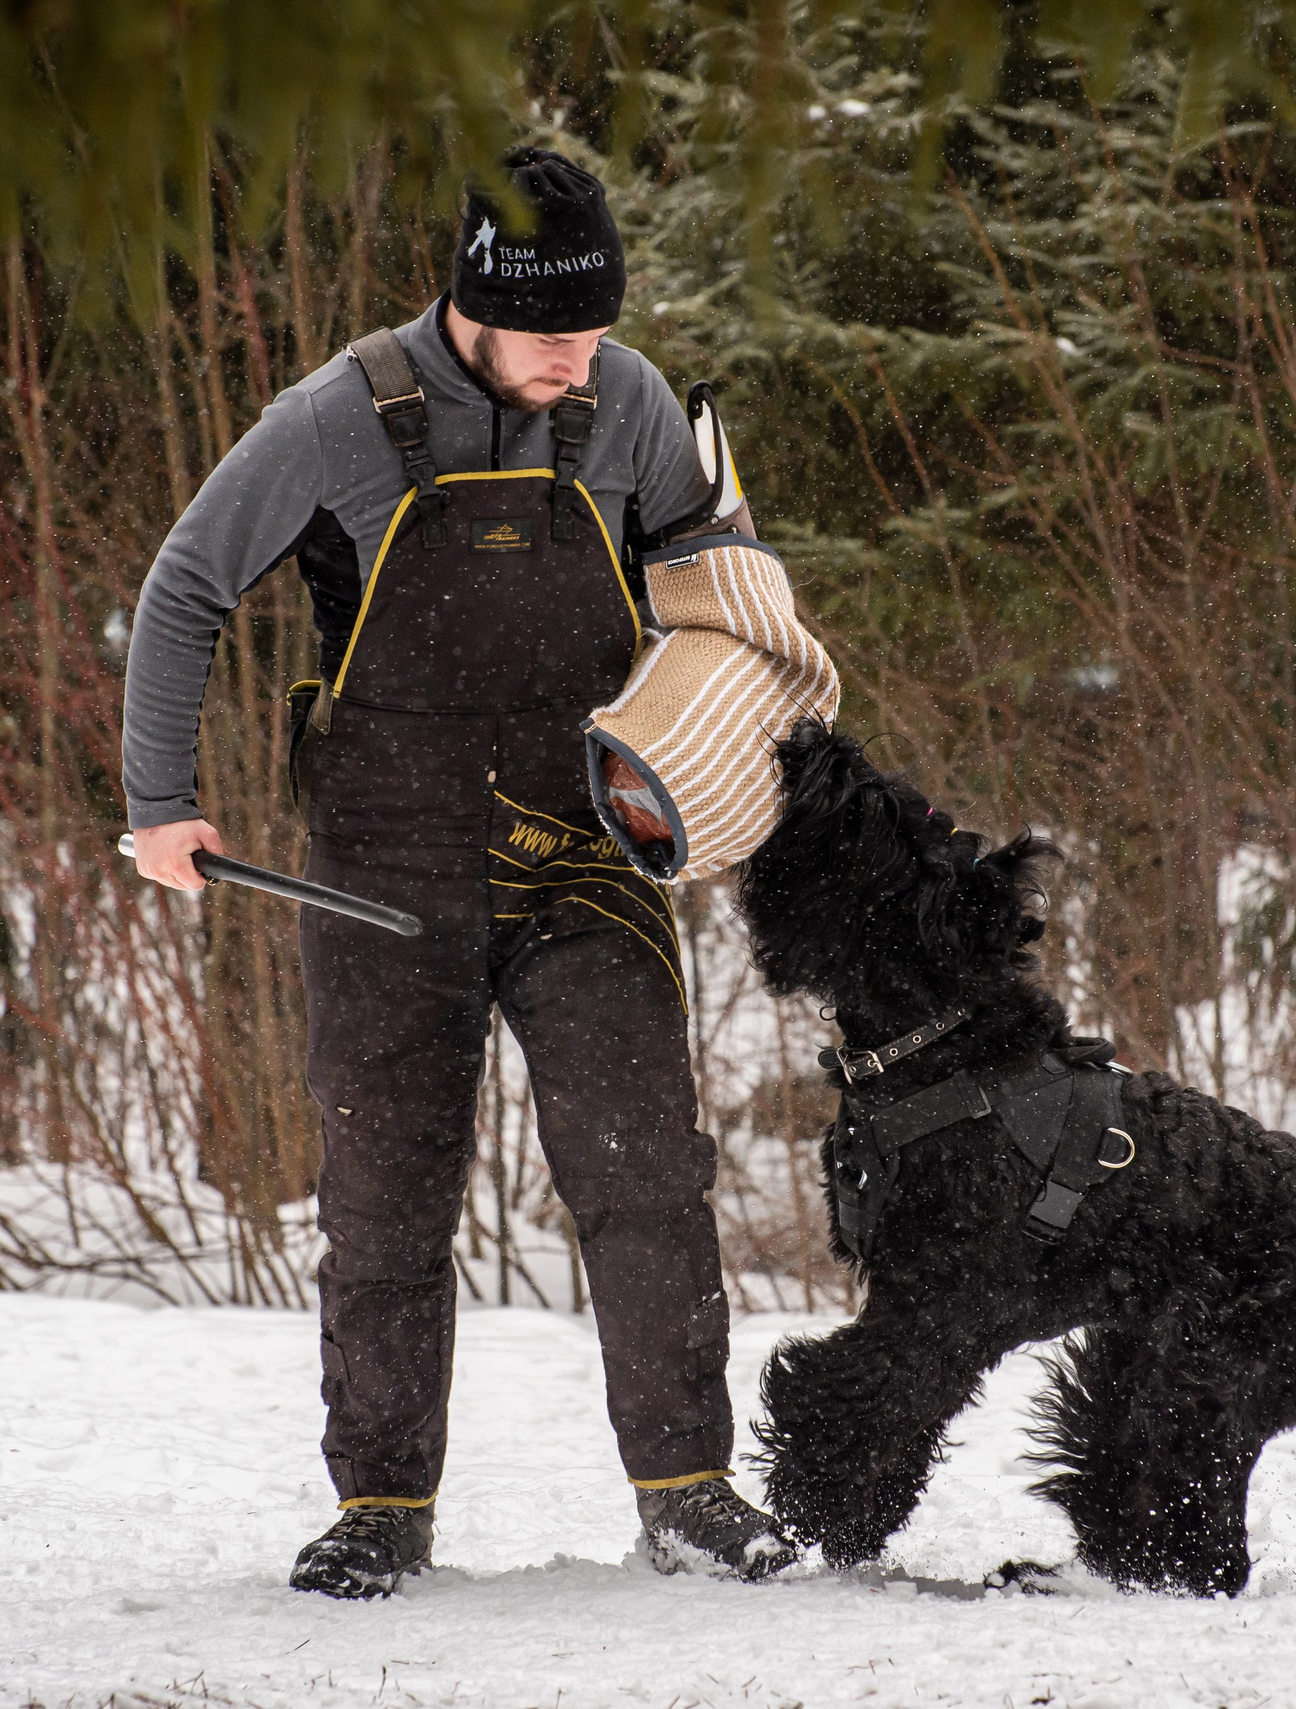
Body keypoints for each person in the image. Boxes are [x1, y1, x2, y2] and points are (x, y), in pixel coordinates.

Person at [120, 147, 793, 1598]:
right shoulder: (339, 419)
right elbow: (185, 585)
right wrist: (160, 803)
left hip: (583, 855)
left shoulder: (632, 403)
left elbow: (709, 577)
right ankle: (381, 1506)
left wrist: (729, 721)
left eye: (599, 330)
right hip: (384, 864)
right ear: (475, 305)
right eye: (556, 335)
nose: (582, 361)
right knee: (384, 1194)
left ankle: (690, 1488)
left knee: (643, 1174)